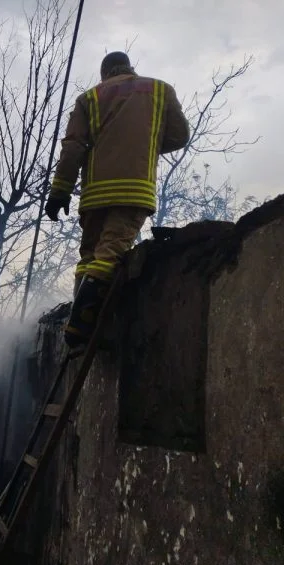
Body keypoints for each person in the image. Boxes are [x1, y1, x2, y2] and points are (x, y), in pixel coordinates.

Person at [45, 51, 190, 347]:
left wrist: (59, 191)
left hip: (94, 194)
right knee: (110, 253)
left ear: (105, 73)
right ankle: (81, 326)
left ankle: (79, 323)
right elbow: (179, 136)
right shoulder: (160, 90)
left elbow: (72, 148)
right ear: (129, 67)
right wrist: (143, 144)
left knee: (89, 256)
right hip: (134, 190)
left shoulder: (89, 99)